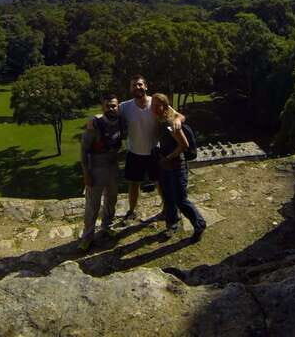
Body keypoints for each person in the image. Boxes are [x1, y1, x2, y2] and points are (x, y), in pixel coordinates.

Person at [118, 75, 182, 223]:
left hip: (155, 151)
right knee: (133, 184)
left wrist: (177, 119)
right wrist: (95, 119)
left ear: (146, 86)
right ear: (130, 89)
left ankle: (167, 209)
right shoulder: (125, 107)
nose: (137, 87)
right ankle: (132, 211)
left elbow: (178, 115)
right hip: (134, 151)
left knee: (160, 182)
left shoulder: (156, 103)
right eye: (134, 85)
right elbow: (109, 114)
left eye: (140, 84)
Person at [150, 93, 206, 242]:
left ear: (165, 106)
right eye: (152, 105)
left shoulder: (169, 122)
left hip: (176, 166)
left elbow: (184, 145)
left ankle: (199, 224)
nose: (154, 108)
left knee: (181, 200)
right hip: (165, 166)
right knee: (168, 197)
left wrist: (168, 158)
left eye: (157, 105)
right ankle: (172, 224)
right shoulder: (160, 118)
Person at [78, 93, 124, 252]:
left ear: (118, 106)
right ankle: (87, 237)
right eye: (108, 105)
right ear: (102, 107)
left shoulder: (120, 121)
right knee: (93, 205)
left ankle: (107, 226)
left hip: (112, 166)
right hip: (96, 168)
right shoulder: (94, 124)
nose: (111, 108)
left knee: (111, 199)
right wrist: (86, 173)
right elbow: (84, 150)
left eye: (114, 105)